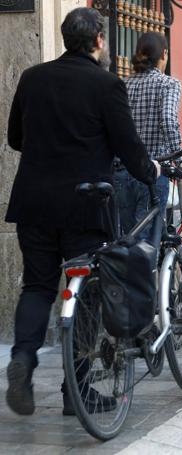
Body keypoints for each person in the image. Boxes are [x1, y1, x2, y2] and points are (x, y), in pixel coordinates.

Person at [4, 7, 159, 416]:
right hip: (85, 207)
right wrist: (150, 171)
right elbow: (128, 145)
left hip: (34, 203)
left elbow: (15, 137)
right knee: (87, 294)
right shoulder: (106, 84)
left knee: (37, 288)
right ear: (98, 41)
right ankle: (78, 391)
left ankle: (23, 359)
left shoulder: (32, 78)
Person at [115, 32, 182, 238]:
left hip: (121, 172)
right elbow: (169, 120)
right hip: (151, 173)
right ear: (164, 54)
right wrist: (179, 158)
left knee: (128, 241)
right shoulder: (169, 84)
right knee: (146, 248)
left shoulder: (123, 85)